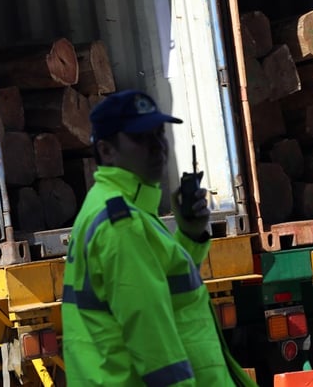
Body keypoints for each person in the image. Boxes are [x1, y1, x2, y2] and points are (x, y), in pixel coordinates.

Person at [62, 89, 256, 386]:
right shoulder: (121, 224)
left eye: (159, 134)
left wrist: (190, 236)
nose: (158, 147)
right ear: (106, 150)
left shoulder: (119, 208)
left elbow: (158, 289)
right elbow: (153, 344)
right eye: (140, 137)